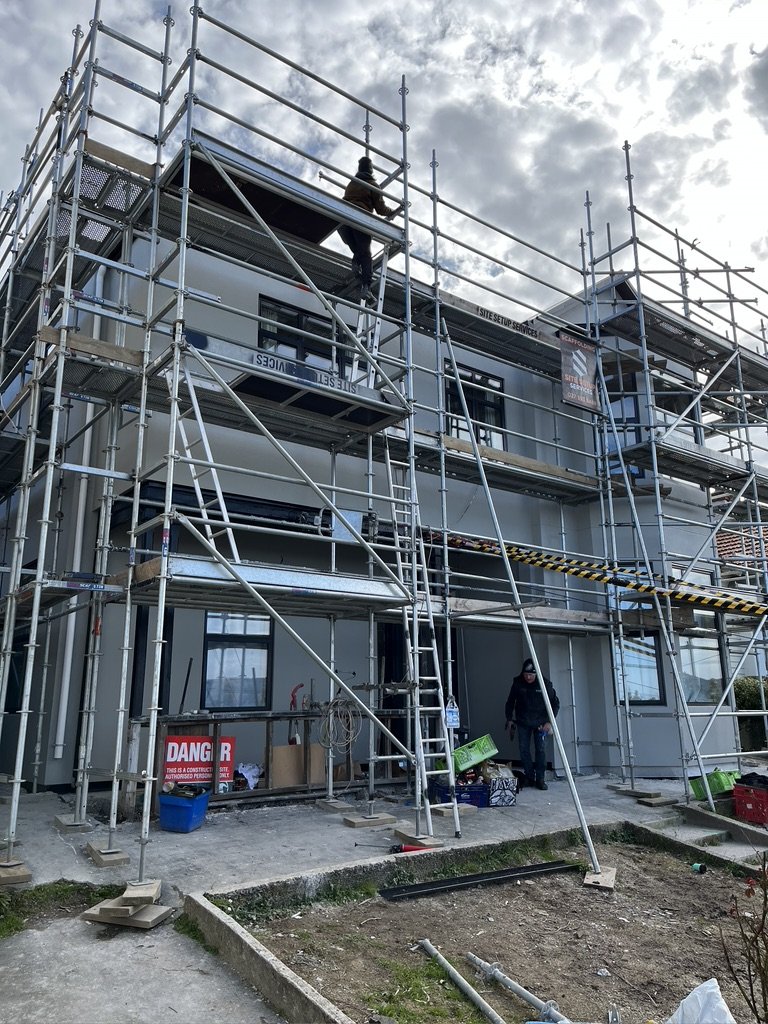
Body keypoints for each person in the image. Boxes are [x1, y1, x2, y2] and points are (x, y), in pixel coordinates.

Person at [338, 156, 399, 301]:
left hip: (343, 219)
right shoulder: (372, 185)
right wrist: (394, 211)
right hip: (360, 218)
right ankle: (366, 286)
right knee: (366, 254)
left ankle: (355, 262)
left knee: (359, 249)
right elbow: (381, 209)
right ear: (371, 169)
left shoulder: (352, 183)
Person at [504, 658, 560, 791]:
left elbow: (555, 704)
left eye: (531, 675)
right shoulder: (518, 683)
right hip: (523, 721)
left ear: (536, 674)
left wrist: (549, 722)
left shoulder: (545, 684)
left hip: (541, 723)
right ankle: (529, 777)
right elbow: (510, 702)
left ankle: (540, 779)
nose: (528, 677)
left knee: (540, 750)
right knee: (524, 749)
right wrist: (509, 719)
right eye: (526, 674)